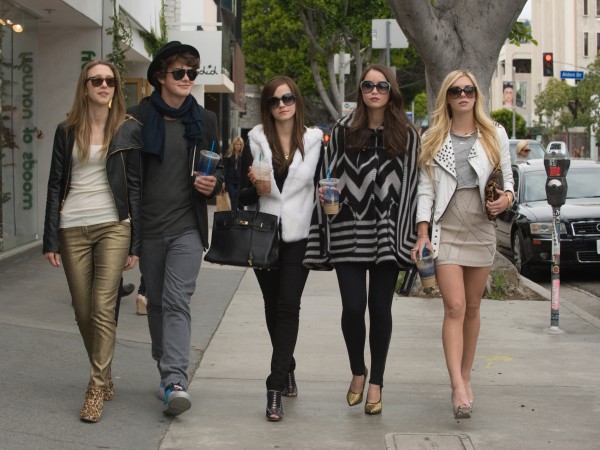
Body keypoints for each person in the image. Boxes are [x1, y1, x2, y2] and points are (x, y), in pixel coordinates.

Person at [310, 64, 419, 415]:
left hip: (387, 234)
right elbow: (327, 175)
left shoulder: (407, 134)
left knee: (381, 309)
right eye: (368, 85)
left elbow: (413, 187)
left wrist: (410, 235)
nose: (375, 91)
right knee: (354, 307)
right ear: (360, 90)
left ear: (391, 91)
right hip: (347, 231)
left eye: (382, 86)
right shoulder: (342, 130)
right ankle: (358, 369)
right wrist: (326, 194)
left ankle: (377, 383)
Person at [42, 60, 142, 423]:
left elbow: (135, 186)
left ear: (116, 87)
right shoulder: (66, 130)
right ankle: (106, 372)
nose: (104, 85)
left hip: (114, 225)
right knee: (83, 309)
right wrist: (50, 237)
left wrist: (135, 241)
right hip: (73, 226)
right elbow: (56, 183)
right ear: (84, 87)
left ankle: (96, 388)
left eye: (110, 81)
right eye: (96, 80)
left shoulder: (129, 129)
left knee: (103, 305)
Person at [128, 41, 223, 416]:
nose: (187, 78)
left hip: (188, 227)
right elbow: (126, 175)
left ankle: (175, 380)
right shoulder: (136, 118)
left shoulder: (205, 120)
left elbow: (219, 170)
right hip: (149, 228)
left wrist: (213, 184)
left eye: (192, 73)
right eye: (180, 72)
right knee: (156, 302)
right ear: (160, 76)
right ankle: (164, 364)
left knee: (177, 300)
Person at [414, 69, 514, 419]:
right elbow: (425, 189)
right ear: (447, 97)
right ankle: (457, 386)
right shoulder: (433, 137)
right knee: (454, 307)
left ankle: (466, 375)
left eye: (468, 90)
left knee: (472, 307)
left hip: (482, 229)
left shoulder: (494, 134)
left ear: (476, 95)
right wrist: (422, 233)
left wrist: (506, 200)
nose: (463, 96)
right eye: (455, 91)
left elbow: (508, 181)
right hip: (447, 229)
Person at [238, 76, 323, 422]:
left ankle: (274, 387)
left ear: (297, 101)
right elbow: (239, 194)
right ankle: (287, 365)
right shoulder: (255, 141)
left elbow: (323, 184)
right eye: (274, 101)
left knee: (289, 306)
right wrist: (254, 189)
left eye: (287, 98)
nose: (282, 105)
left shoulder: (315, 142)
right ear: (267, 107)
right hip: (265, 234)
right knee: (272, 306)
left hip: (300, 237)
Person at [223, 136, 244, 208]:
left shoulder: (243, 155)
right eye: (237, 144)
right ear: (233, 144)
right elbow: (225, 168)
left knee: (239, 199)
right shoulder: (228, 154)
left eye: (240, 144)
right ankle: (234, 214)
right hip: (230, 180)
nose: (238, 146)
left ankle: (240, 214)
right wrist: (223, 181)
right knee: (233, 199)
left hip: (239, 180)